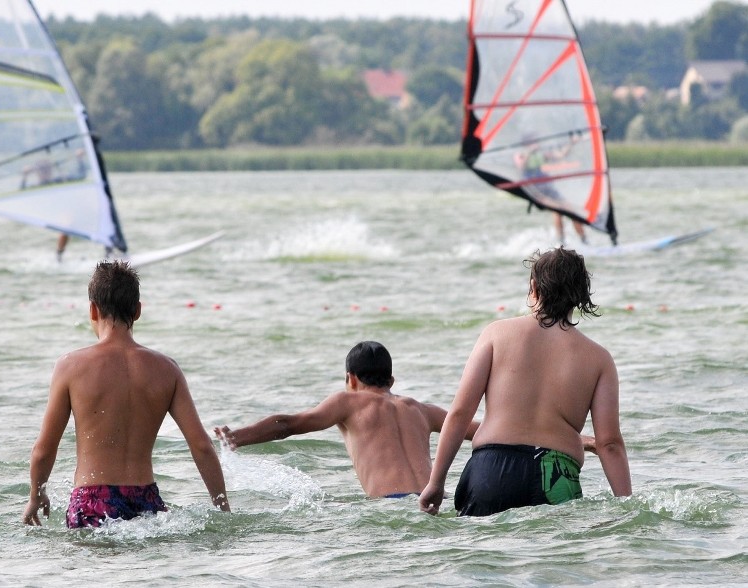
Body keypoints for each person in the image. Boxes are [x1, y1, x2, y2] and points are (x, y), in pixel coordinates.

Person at [419, 247, 631, 517]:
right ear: (580, 295)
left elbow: (460, 412)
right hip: (556, 476)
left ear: (534, 288)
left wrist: (436, 483)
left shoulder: (496, 334)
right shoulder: (599, 359)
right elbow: (609, 443)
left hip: (491, 472)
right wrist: (627, 507)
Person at [22, 260, 230, 528]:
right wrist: (223, 509)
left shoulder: (70, 367)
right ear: (138, 310)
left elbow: (43, 449)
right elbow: (201, 446)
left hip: (92, 501)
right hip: (148, 502)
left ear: (93, 310)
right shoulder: (167, 369)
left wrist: (36, 496)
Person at [215, 341, 480, 498]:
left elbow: (288, 425)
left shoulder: (347, 401)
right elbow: (482, 432)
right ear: (391, 381)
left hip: (391, 507)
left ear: (350, 379)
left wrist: (235, 438)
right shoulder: (422, 409)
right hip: (433, 501)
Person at [515, 134, 587, 245]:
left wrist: (571, 143)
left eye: (535, 141)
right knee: (557, 210)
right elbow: (521, 167)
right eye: (531, 142)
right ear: (525, 144)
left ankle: (584, 241)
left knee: (571, 210)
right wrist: (529, 152)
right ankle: (561, 242)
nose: (535, 144)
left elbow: (561, 155)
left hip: (548, 187)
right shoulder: (520, 155)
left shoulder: (542, 153)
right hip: (534, 190)